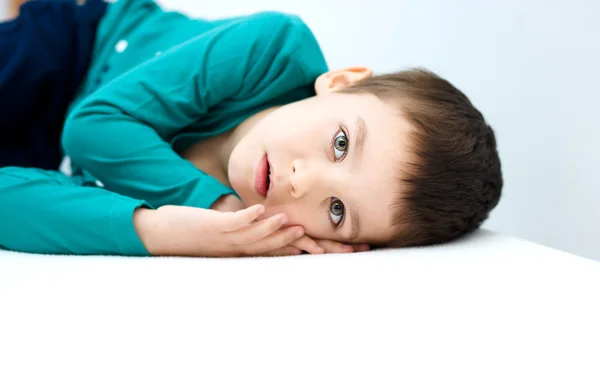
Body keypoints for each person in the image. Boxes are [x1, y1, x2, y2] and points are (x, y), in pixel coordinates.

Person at [0, 0, 503, 257]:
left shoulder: (241, 234)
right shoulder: (273, 48)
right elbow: (91, 129)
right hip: (82, 52)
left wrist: (163, 231)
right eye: (342, 144)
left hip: (57, 157)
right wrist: (216, 205)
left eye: (336, 210)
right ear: (342, 83)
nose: (303, 182)